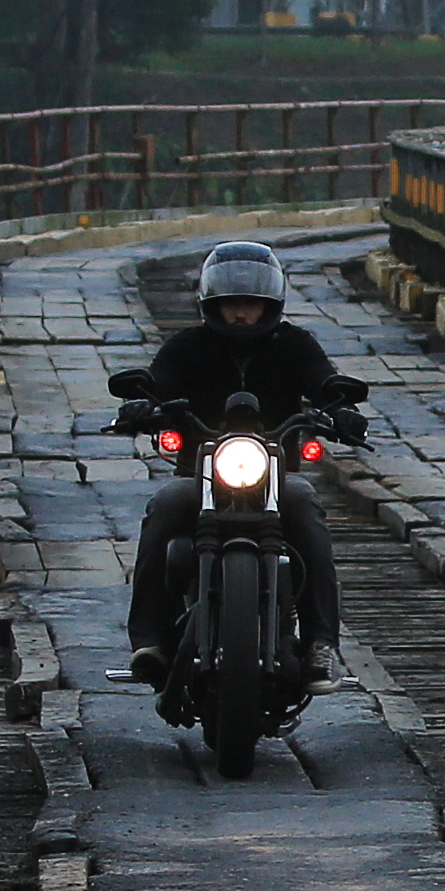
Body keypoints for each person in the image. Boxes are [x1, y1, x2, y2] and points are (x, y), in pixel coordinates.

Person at [123, 242, 347, 690]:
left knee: (306, 507)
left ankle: (322, 642)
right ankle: (150, 640)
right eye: (232, 306)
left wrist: (339, 402)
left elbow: (322, 378)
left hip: (277, 478)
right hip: (197, 476)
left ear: (270, 305)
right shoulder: (187, 346)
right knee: (164, 507)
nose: (242, 315)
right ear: (213, 305)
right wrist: (141, 404)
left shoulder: (295, 345)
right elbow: (158, 383)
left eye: (250, 305)